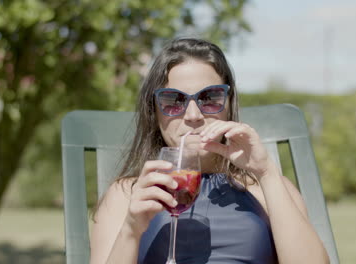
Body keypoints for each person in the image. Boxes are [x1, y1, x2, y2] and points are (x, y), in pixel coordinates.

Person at [90, 38, 329, 264]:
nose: (193, 116)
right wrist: (131, 230)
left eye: (210, 98)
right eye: (173, 101)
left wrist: (266, 173)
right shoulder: (127, 195)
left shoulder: (267, 188)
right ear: (154, 110)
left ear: (228, 104)